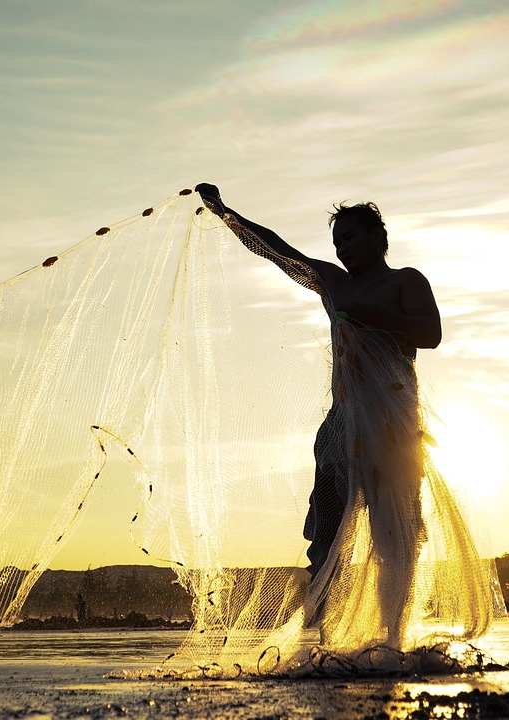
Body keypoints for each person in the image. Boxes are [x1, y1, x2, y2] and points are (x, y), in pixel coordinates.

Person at [195, 183, 443, 649]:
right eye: (337, 243)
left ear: (375, 236)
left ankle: (395, 636)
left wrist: (367, 314)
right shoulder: (334, 282)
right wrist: (227, 215)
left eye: (349, 238)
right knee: (327, 530)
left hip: (393, 427)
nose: (342, 249)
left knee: (396, 535)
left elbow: (430, 334)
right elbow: (277, 251)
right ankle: (328, 632)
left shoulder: (406, 281)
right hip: (342, 425)